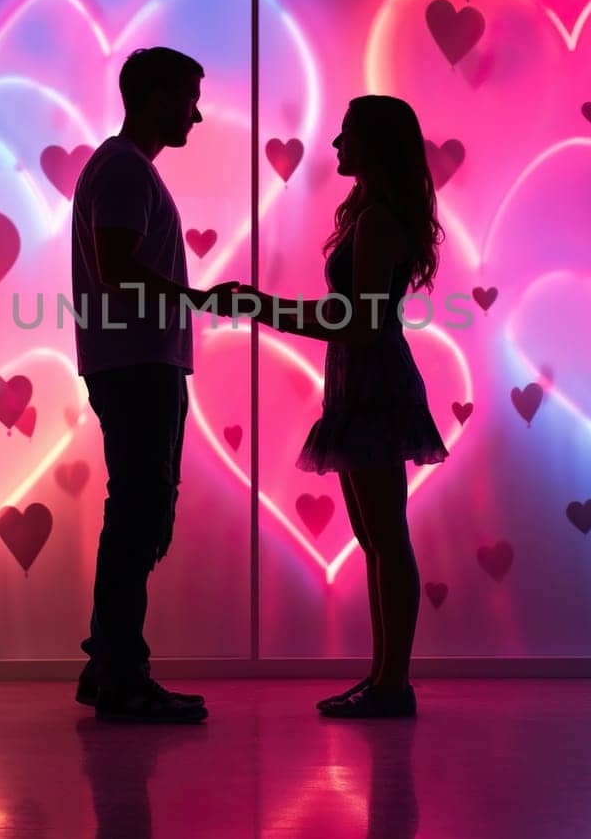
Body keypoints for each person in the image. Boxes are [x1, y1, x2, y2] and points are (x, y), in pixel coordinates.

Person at [245, 95, 449, 719]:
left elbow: (356, 322)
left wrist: (264, 309)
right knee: (376, 538)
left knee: (385, 538)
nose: (335, 146)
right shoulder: (375, 216)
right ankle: (384, 679)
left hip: (372, 382)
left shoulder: (377, 221)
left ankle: (392, 683)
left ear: (374, 147)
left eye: (346, 136)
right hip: (363, 379)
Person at [71, 46, 244, 724]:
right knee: (141, 515)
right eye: (188, 98)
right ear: (155, 96)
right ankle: (121, 672)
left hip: (133, 362)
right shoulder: (123, 171)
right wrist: (200, 301)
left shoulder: (120, 169)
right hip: (139, 363)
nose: (197, 115)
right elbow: (117, 268)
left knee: (136, 513)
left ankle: (109, 663)